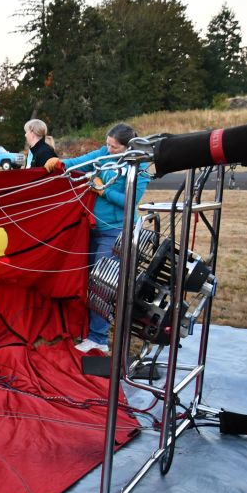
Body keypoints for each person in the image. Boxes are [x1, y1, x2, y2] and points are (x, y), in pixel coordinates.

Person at [45, 122, 151, 354]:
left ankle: (98, 339)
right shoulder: (104, 154)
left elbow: (130, 201)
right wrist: (59, 163)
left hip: (116, 231)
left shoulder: (140, 167)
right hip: (93, 228)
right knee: (86, 280)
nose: (109, 149)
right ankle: (87, 329)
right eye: (108, 144)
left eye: (114, 147)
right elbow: (80, 163)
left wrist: (103, 191)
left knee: (102, 284)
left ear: (127, 147)